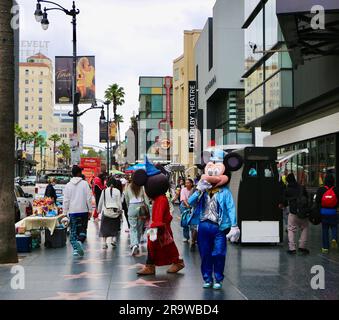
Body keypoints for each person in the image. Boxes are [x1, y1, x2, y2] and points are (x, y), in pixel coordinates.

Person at [188, 150, 242, 290]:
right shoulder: (202, 190)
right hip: (203, 226)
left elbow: (231, 208)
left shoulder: (225, 192)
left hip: (219, 227)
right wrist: (199, 190)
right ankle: (207, 278)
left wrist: (234, 225)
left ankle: (218, 278)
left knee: (219, 253)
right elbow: (190, 202)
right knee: (205, 254)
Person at [135, 158, 185, 276]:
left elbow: (158, 217)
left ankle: (155, 265)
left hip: (159, 229)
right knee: (163, 247)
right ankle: (155, 265)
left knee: (160, 246)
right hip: (159, 228)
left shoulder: (160, 199)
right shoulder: (159, 198)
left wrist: (153, 230)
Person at [63, 165, 92, 257]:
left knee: (74, 231)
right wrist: (90, 210)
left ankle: (76, 249)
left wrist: (64, 212)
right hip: (83, 211)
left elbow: (66, 200)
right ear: (79, 173)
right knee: (83, 229)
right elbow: (89, 198)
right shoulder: (85, 184)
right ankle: (80, 242)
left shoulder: (68, 185)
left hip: (73, 212)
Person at [283, 173, 310, 255]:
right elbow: (307, 198)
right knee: (304, 228)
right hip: (303, 212)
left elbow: (284, 201)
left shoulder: (287, 189)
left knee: (291, 229)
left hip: (293, 212)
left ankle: (292, 249)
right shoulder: (301, 187)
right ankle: (302, 247)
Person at [125, 176, 150, 255]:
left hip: (132, 207)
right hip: (141, 207)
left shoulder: (128, 187)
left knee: (133, 228)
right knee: (139, 228)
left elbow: (126, 198)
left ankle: (134, 244)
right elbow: (146, 199)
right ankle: (137, 244)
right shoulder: (142, 187)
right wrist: (148, 211)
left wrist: (129, 207)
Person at [315, 174, 338, 253]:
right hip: (333, 212)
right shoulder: (336, 189)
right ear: (333, 180)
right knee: (334, 226)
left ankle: (325, 248)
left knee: (325, 229)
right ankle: (334, 238)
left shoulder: (321, 189)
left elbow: (317, 201)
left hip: (324, 212)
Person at [98, 177, 122, 249]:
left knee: (104, 228)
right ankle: (113, 240)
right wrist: (120, 211)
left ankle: (104, 243)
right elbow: (119, 202)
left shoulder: (104, 191)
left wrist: (98, 210)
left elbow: (101, 201)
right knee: (114, 227)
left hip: (106, 212)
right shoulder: (118, 191)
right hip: (115, 212)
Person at [180, 179, 195, 246]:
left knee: (193, 223)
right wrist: (188, 206)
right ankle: (186, 237)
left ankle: (194, 238)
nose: (187, 184)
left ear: (191, 184)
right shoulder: (183, 189)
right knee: (185, 222)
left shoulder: (194, 190)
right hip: (184, 206)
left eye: (188, 183)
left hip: (192, 206)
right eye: (186, 183)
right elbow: (183, 199)